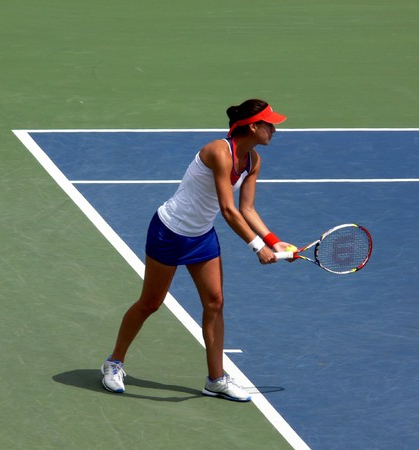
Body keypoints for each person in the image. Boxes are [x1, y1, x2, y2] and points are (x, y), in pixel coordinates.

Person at [101, 99, 294, 402]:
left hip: (201, 237)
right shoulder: (219, 151)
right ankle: (114, 363)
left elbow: (248, 208)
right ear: (253, 126)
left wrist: (273, 240)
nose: (274, 129)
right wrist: (257, 246)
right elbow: (228, 210)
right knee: (150, 303)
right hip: (169, 232)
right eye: (269, 124)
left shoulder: (254, 161)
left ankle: (216, 379)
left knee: (215, 302)